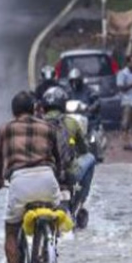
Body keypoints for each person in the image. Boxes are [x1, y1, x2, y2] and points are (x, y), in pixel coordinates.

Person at [0, 91, 63, 263]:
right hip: (47, 178)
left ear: (13, 111)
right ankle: (49, 249)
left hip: (20, 181)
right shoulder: (47, 127)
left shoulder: (5, 129)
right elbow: (58, 157)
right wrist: (58, 179)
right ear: (34, 109)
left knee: (11, 231)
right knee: (56, 215)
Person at [42, 86, 95, 222]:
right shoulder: (71, 122)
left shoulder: (36, 124)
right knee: (90, 158)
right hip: (68, 174)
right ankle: (79, 203)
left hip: (41, 173)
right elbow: (84, 150)